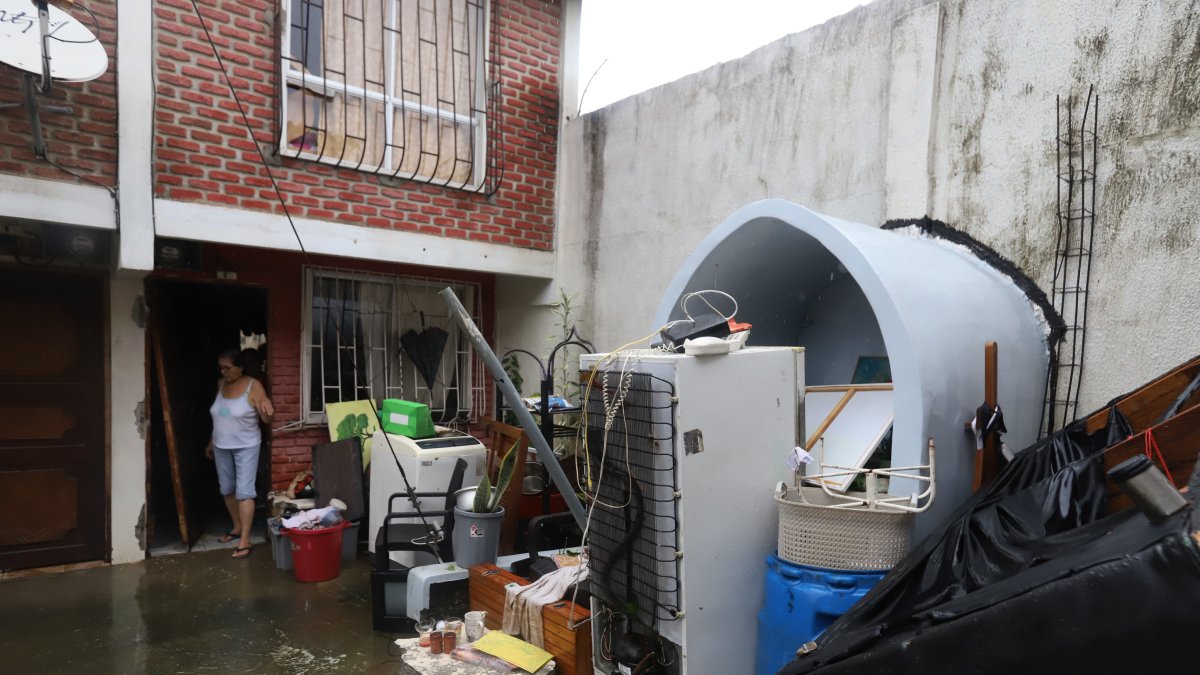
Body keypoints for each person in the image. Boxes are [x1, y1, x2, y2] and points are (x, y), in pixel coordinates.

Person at [206, 348, 274, 558]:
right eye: (221, 368)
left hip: (246, 445)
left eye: (227, 368)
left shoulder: (254, 386)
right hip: (220, 445)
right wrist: (211, 441)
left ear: (240, 367)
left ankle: (245, 539)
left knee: (244, 492)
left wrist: (266, 409)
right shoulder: (221, 384)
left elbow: (267, 420)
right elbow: (220, 416)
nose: (223, 372)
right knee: (227, 488)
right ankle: (236, 527)